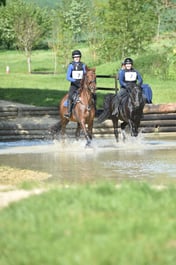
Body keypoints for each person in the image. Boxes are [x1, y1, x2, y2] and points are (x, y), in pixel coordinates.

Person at [64, 50, 86, 119]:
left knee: (91, 94)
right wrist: (74, 80)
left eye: (78, 57)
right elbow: (68, 77)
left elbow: (85, 74)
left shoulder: (83, 65)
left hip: (82, 84)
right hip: (74, 85)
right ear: (73, 58)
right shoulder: (71, 66)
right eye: (75, 57)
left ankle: (93, 109)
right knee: (70, 96)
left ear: (80, 57)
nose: (77, 58)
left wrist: (83, 80)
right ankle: (69, 112)